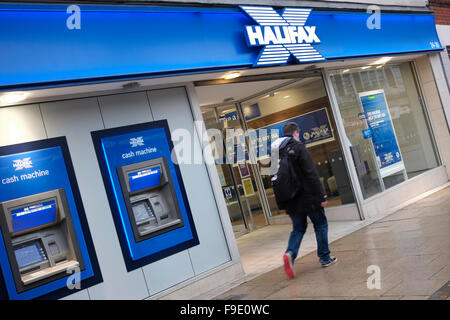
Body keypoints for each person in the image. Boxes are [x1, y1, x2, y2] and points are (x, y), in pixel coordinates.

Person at [271, 122, 337, 279]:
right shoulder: (299, 147)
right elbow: (311, 173)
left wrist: (282, 204)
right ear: (295, 133)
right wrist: (321, 195)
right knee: (320, 224)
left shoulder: (274, 153)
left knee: (298, 228)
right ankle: (325, 258)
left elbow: (273, 179)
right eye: (298, 134)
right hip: (308, 197)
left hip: (291, 200)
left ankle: (290, 253)